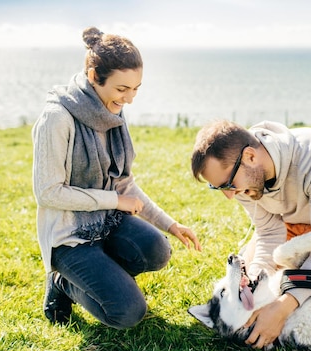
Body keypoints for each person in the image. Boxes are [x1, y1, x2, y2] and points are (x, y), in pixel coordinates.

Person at [32, 27, 201, 329]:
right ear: (95, 75)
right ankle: (62, 282)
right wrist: (114, 200)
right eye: (123, 89)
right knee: (126, 313)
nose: (130, 99)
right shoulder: (57, 118)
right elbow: (48, 192)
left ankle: (101, 275)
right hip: (70, 236)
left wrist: (170, 224)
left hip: (107, 222)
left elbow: (124, 183)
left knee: (157, 250)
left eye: (136, 89)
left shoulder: (112, 111)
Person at [191, 120, 311, 348]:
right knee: (259, 281)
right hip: (284, 223)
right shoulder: (243, 178)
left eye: (228, 185)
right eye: (219, 188)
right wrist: (252, 283)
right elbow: (269, 232)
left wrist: (282, 307)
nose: (230, 196)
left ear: (251, 156)